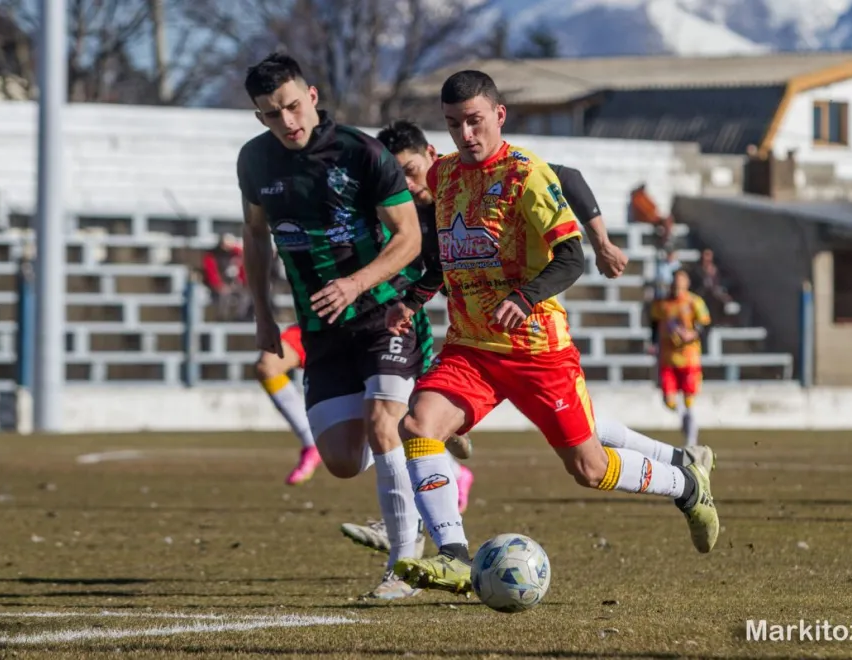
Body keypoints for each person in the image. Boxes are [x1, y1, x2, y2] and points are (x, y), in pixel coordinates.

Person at [386, 71, 720, 595]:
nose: (465, 134)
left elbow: (570, 257)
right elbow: (444, 255)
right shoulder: (444, 175)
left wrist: (524, 297)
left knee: (588, 468)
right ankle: (453, 555)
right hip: (471, 346)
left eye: (474, 121)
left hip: (537, 350)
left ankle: (685, 484)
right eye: (454, 124)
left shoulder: (527, 174)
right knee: (418, 424)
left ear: (499, 115)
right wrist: (411, 298)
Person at [236, 52, 465, 600]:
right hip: (320, 328)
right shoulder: (254, 161)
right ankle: (427, 433)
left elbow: (408, 236)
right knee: (341, 461)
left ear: (312, 96)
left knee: (383, 424)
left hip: (384, 311)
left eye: (293, 106)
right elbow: (254, 236)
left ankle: (403, 564)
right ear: (260, 117)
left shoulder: (361, 153)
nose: (288, 122)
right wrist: (265, 314)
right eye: (272, 114)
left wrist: (358, 283)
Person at [650, 268, 710, 447]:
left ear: (687, 283)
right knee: (669, 401)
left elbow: (705, 326)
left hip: (689, 359)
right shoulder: (662, 304)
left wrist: (692, 335)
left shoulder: (694, 302)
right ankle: (687, 422)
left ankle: (691, 439)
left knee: (689, 399)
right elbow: (654, 325)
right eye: (676, 279)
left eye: (681, 280)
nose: (678, 283)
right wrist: (653, 343)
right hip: (667, 359)